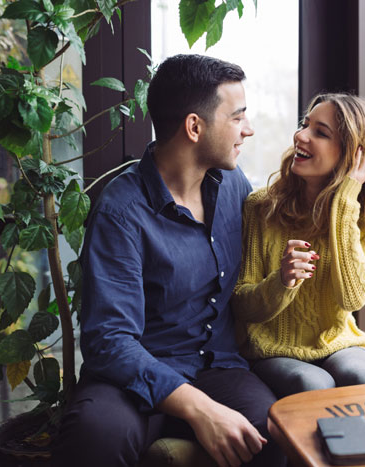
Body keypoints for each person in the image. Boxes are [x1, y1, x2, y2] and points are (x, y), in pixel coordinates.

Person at [52, 54, 285, 467]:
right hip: (134, 375)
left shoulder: (233, 185)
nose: (248, 130)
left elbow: (288, 217)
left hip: (219, 368)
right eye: (237, 118)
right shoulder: (120, 211)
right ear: (194, 127)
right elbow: (109, 340)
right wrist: (198, 407)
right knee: (95, 433)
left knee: (270, 433)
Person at [231, 93, 365, 398]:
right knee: (313, 384)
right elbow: (242, 305)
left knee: (363, 374)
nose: (300, 135)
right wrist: (282, 282)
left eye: (320, 132)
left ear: (355, 155)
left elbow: (352, 298)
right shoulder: (261, 207)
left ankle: (364, 448)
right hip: (273, 348)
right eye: (304, 125)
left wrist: (343, 204)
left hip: (337, 343)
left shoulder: (364, 216)